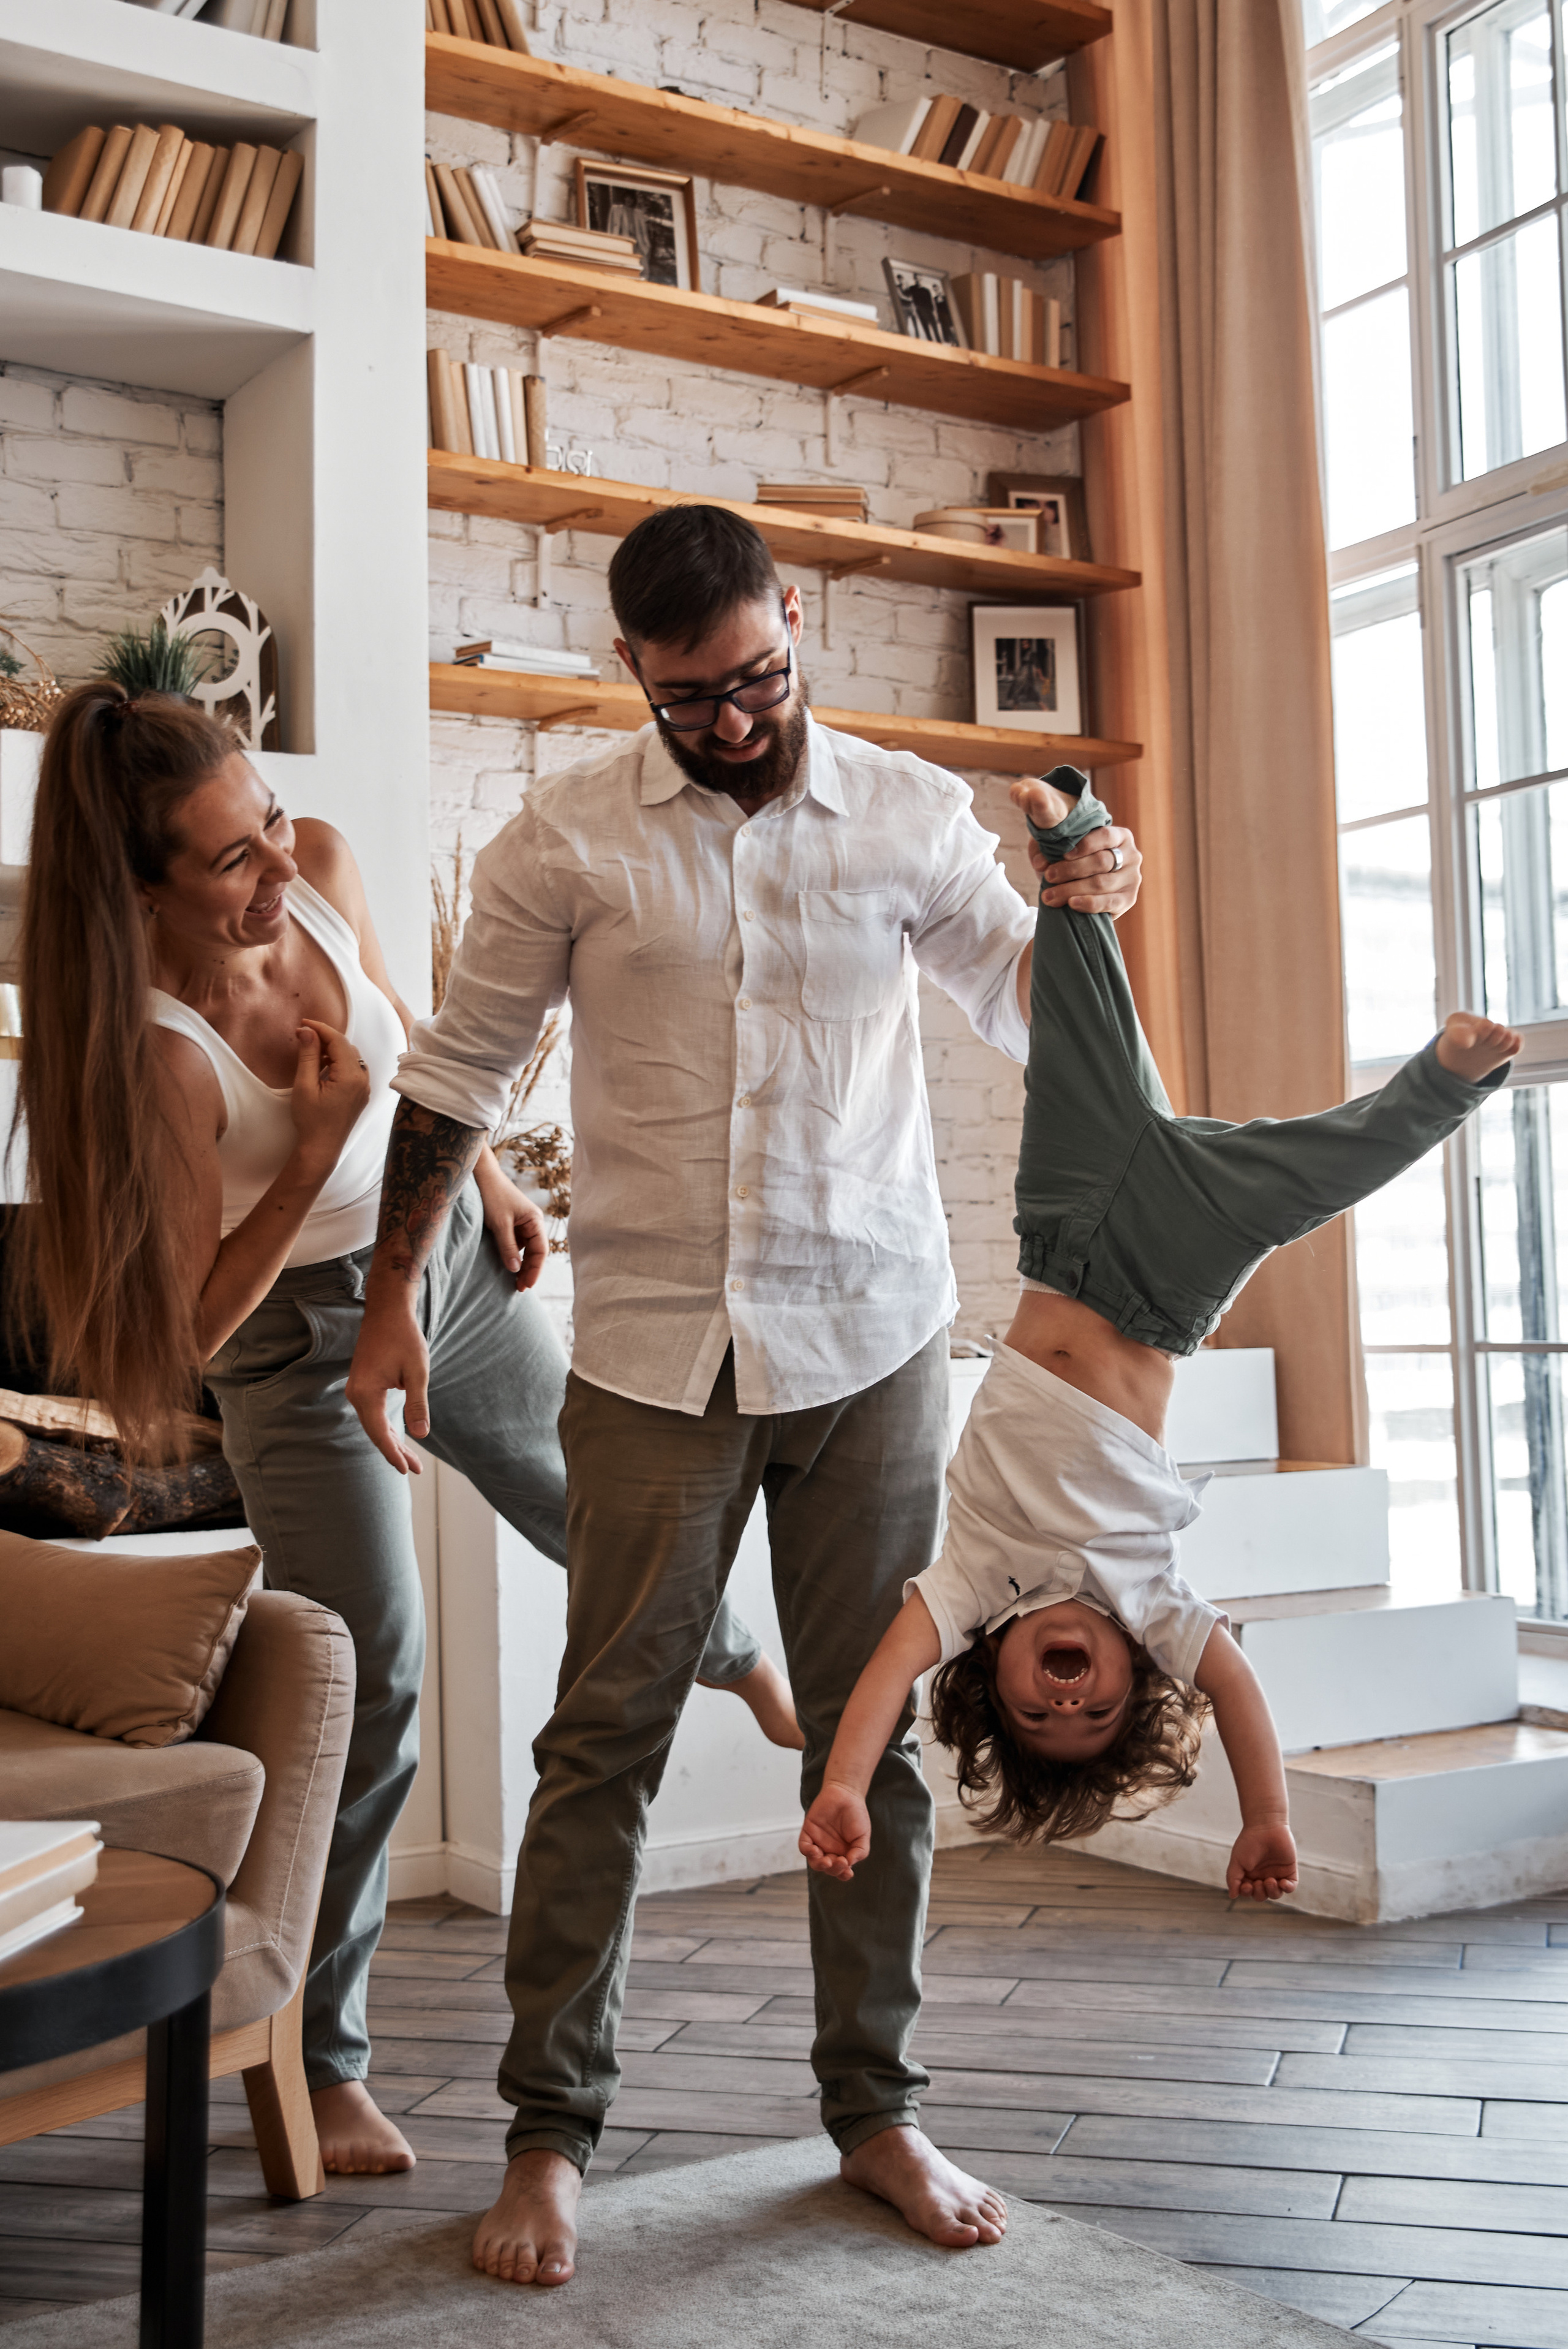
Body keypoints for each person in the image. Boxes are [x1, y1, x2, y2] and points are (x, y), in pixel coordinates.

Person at [344, 504, 1148, 2285]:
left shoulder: (912, 816)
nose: (735, 717)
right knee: (602, 1746)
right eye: (695, 692)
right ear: (634, 662)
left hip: (872, 1341)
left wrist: (1087, 917)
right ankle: (551, 2138)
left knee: (884, 1743)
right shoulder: (563, 837)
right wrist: (396, 1296)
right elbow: (459, 1069)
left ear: (802, 621)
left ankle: (876, 2108)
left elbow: (1029, 1011)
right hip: (650, 1358)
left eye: (762, 676)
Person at [11, 681, 792, 2179]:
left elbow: (422, 1045)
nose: (280, 867)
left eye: (269, 825)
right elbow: (184, 1343)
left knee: (599, 1498)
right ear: (140, 886)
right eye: (233, 860)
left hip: (437, 1264)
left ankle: (745, 1660)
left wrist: (482, 1181)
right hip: (294, 1348)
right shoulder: (162, 1054)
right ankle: (316, 2054)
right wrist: (307, 1155)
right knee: (371, 1683)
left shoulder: (321, 866)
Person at [800, 769, 1521, 1904]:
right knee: (1310, 1176)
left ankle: (1072, 838)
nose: (1068, 1698)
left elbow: (891, 1668)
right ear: (1138, 1674)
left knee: (1082, 1032)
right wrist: (1269, 1814)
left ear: (997, 1674)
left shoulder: (976, 1583)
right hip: (1166, 1280)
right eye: (1096, 1711)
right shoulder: (1154, 1601)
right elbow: (1236, 1691)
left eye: (1041, 1711)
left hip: (1064, 1233)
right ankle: (1447, 1082)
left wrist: (844, 1785)